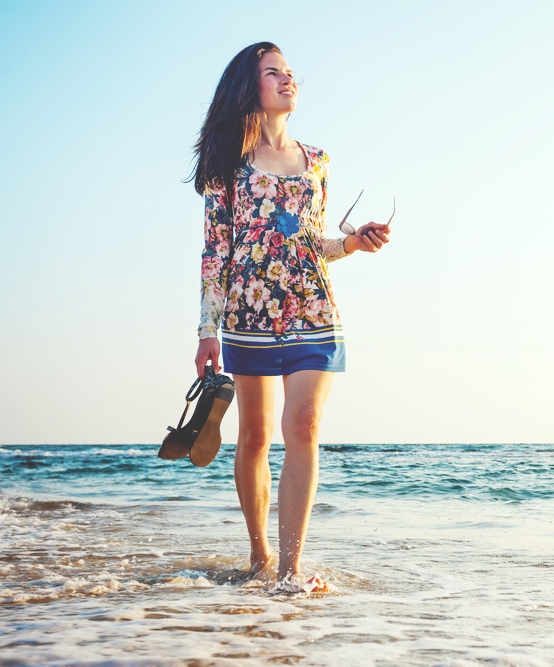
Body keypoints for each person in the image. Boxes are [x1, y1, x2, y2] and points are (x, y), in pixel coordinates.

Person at [191, 42, 391, 591]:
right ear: (248, 87)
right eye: (273, 73)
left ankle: (290, 570)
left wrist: (353, 245)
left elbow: (310, 242)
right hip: (249, 314)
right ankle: (259, 557)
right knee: (253, 436)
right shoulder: (225, 166)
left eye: (290, 72)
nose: (287, 80)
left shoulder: (318, 161)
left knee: (302, 426)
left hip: (314, 310)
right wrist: (207, 330)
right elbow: (216, 250)